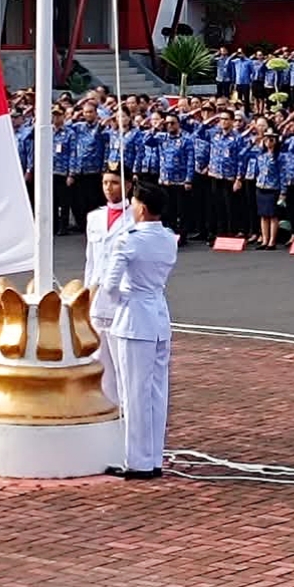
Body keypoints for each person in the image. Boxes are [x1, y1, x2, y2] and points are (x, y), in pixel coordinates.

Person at [102, 181, 180, 481]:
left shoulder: (130, 239)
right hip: (158, 315)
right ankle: (154, 456)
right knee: (156, 391)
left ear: (142, 209)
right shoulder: (168, 238)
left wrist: (124, 297)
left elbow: (110, 286)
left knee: (133, 391)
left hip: (134, 317)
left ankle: (137, 461)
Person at [83, 169, 133, 405]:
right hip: (97, 297)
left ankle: (125, 409)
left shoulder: (134, 217)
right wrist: (86, 293)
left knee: (123, 361)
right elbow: (91, 261)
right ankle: (106, 407)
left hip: (122, 297)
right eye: (105, 182)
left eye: (114, 182)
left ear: (128, 185)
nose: (108, 187)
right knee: (99, 360)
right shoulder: (94, 217)